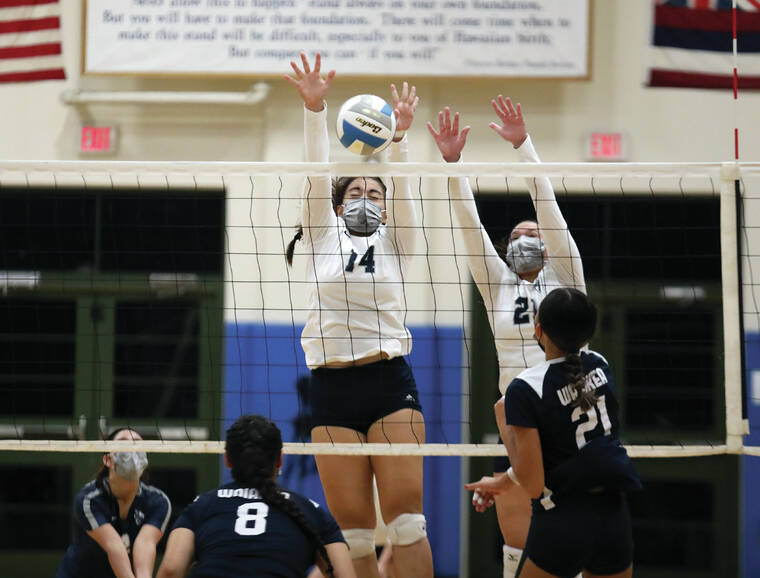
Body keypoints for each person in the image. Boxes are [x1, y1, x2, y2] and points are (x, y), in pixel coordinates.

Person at [284, 52, 433, 578]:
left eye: (373, 193)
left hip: (388, 382)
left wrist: (399, 138)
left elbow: (405, 186)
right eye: (355, 192)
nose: (365, 198)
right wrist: (315, 110)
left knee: (407, 524)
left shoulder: (398, 241)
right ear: (337, 204)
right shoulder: (322, 236)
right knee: (353, 536)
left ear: (385, 208)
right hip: (330, 389)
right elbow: (315, 172)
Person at [427, 97, 586, 577]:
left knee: (573, 538)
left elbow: (547, 205)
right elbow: (468, 225)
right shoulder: (497, 282)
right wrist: (453, 166)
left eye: (533, 234)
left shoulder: (565, 275)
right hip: (516, 420)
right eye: (516, 235)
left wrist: (523, 146)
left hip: (566, 412)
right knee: (517, 544)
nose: (525, 239)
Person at [466, 288, 641, 578]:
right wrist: (504, 481)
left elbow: (534, 485)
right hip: (613, 515)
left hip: (563, 519)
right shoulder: (599, 364)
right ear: (589, 333)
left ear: (538, 330)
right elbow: (573, 450)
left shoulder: (525, 387)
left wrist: (506, 430)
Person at [156, 414, 355, 578]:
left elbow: (171, 570)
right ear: (279, 460)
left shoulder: (202, 505)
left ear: (227, 460)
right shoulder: (311, 512)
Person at [56, 428, 170, 578]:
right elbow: (114, 548)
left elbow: (145, 547)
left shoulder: (158, 502)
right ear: (107, 460)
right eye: (123, 442)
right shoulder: (89, 499)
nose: (132, 448)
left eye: (137, 443)